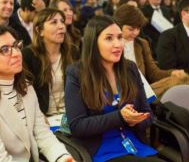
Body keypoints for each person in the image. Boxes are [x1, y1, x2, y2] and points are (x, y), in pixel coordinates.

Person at [0, 24, 74, 162]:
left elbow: (42, 133)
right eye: (4, 50)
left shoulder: (25, 87)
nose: (16, 53)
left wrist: (62, 157)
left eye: (15, 45)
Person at [65, 15, 165, 162]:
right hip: (102, 151)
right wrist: (120, 117)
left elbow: (148, 114)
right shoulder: (77, 73)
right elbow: (78, 126)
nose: (118, 44)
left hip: (135, 146)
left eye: (119, 37)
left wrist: (135, 121)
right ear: (93, 43)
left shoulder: (130, 68)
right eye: (109, 38)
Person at [114, 4, 187, 97]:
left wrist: (172, 73)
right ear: (118, 25)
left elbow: (153, 73)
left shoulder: (141, 44)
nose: (136, 33)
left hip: (141, 91)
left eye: (138, 28)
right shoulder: (111, 45)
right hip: (118, 92)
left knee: (179, 83)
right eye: (131, 29)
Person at [22, 8, 73, 121]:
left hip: (70, 116)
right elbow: (25, 94)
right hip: (42, 119)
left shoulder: (72, 52)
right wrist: (39, 117)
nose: (61, 26)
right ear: (40, 31)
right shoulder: (28, 56)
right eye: (54, 22)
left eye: (62, 21)